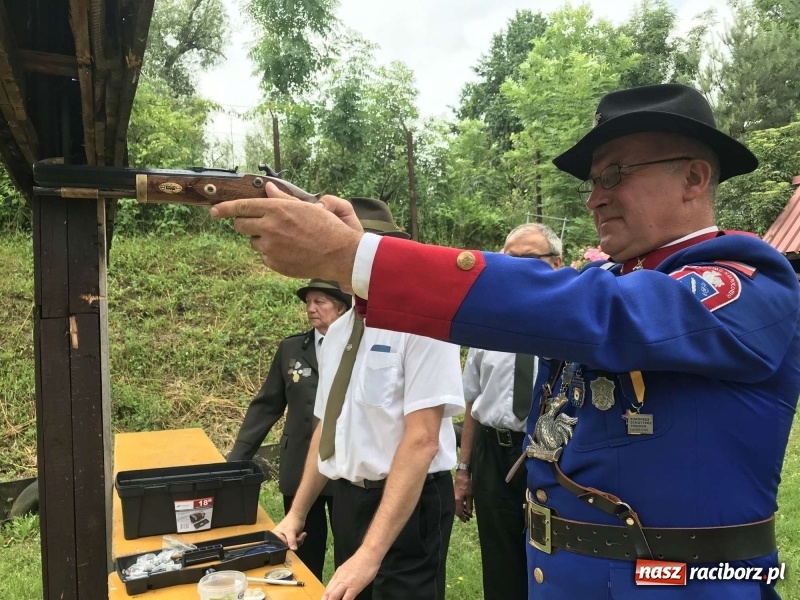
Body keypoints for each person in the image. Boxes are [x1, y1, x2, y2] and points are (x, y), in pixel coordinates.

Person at [212, 83, 800, 599]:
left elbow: (592, 311)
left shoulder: (748, 281)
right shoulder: (608, 282)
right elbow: (548, 299)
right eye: (595, 180)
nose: (595, 197)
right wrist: (355, 258)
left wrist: (362, 259)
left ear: (695, 177)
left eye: (616, 174)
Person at [270, 197, 464, 600]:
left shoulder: (425, 324)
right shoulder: (339, 332)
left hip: (410, 503)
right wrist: (296, 514)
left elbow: (423, 440)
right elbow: (327, 428)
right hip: (350, 499)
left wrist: (371, 554)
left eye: (347, 251)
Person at [455, 222, 562, 600]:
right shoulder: (487, 323)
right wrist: (464, 470)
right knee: (500, 564)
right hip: (494, 455)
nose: (514, 267)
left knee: (552, 561)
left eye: (527, 258)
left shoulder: (570, 322)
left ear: (555, 262)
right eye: (507, 258)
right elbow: (473, 401)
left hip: (553, 458)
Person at [228, 279, 351, 580]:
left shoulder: (358, 348)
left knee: (349, 552)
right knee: (302, 554)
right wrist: (235, 461)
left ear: (341, 306)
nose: (311, 308)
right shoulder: (292, 349)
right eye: (308, 302)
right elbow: (266, 406)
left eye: (320, 301)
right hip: (299, 466)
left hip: (345, 467)